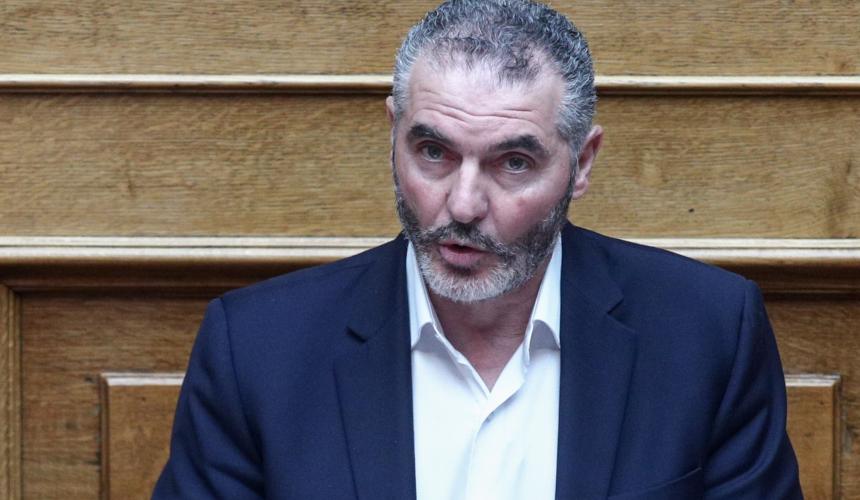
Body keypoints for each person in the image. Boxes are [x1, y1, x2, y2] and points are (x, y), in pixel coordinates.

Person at [153, 1, 803, 498]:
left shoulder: (708, 333)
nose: (463, 205)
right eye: (433, 152)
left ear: (581, 163)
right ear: (393, 136)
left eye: (513, 162)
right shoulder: (256, 350)